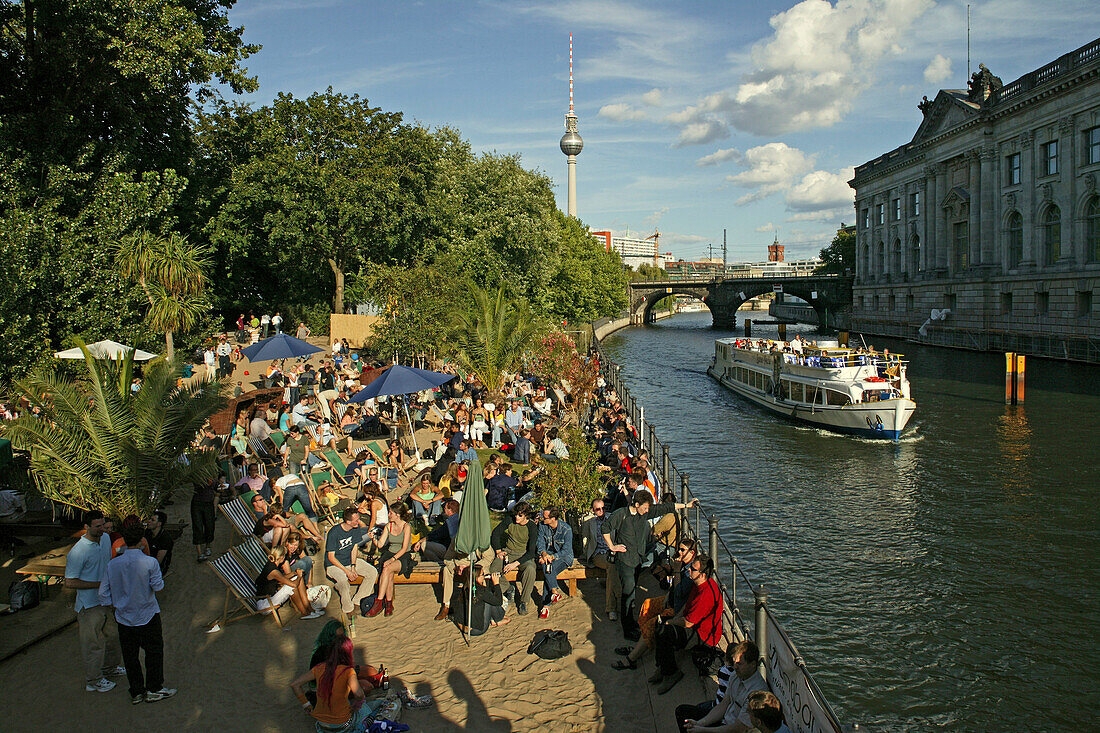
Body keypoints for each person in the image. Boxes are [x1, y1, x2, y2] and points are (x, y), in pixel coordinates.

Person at [98, 516, 176, 704]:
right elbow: (158, 587)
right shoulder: (150, 563)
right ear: (142, 541)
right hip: (148, 613)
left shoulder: (113, 564)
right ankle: (154, 687)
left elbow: (103, 593)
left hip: (124, 616)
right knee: (154, 652)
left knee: (130, 655)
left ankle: (137, 691)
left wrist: (115, 604)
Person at [604, 489, 696, 641]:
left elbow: (666, 507)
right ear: (637, 504)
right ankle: (627, 629)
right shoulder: (621, 514)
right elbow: (605, 528)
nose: (647, 511)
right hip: (625, 560)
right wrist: (612, 546)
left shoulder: (644, 513)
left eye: (648, 508)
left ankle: (632, 623)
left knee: (632, 591)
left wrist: (686, 505)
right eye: (645, 507)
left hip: (637, 559)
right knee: (627, 593)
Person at [64, 510, 125, 693]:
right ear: (86, 527)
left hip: (106, 601)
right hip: (89, 605)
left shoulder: (106, 539)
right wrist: (98, 584)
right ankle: (94, 679)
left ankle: (110, 668)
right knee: (92, 644)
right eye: (97, 526)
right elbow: (70, 581)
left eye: (103, 524)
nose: (102, 529)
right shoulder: (78, 552)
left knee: (114, 637)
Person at [651, 552, 723, 694]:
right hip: (694, 626)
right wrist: (672, 620)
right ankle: (662, 666)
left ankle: (671, 674)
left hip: (704, 636)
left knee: (665, 632)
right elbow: (686, 607)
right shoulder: (697, 584)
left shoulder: (706, 593)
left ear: (702, 574)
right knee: (660, 625)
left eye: (693, 569)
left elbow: (689, 623)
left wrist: (670, 623)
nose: (689, 570)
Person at [680, 640, 767, 733]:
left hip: (733, 729)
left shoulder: (756, 692)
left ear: (753, 665)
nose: (735, 667)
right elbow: (724, 704)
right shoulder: (735, 675)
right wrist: (699, 723)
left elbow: (738, 728)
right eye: (734, 662)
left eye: (740, 664)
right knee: (683, 712)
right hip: (724, 721)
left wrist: (703, 730)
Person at [290, 636, 369, 733]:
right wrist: (356, 705)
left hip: (322, 724)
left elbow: (295, 685)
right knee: (367, 708)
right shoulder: (348, 671)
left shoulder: (319, 668)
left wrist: (306, 705)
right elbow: (359, 694)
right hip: (343, 724)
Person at [324, 507, 379, 619]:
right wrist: (347, 571)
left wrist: (353, 567)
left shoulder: (355, 528)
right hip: (334, 564)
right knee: (344, 583)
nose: (358, 521)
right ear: (348, 522)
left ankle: (358, 601)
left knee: (372, 572)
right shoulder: (334, 533)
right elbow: (331, 557)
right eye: (356, 520)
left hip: (349, 561)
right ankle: (348, 609)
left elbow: (354, 548)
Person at [363, 502, 413, 618]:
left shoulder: (406, 527)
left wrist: (392, 559)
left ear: (397, 515)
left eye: (391, 513)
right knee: (388, 574)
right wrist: (374, 539)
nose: (389, 515)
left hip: (402, 555)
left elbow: (404, 548)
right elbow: (381, 544)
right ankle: (389, 604)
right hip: (390, 553)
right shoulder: (388, 526)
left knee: (387, 568)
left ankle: (379, 601)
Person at [674, 646, 738, 733]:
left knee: (684, 711)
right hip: (720, 706)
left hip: (719, 709)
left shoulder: (725, 672)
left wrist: (701, 726)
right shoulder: (734, 676)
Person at [489, 501, 537, 615]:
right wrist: (498, 551)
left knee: (530, 569)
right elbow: (496, 533)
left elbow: (531, 552)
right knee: (493, 568)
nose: (516, 517)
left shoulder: (531, 527)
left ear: (526, 516)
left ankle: (524, 601)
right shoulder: (510, 520)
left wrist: (516, 563)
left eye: (520, 515)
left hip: (523, 554)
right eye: (516, 514)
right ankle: (508, 588)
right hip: (508, 552)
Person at [581, 498, 622, 621]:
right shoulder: (590, 523)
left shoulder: (611, 519)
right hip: (599, 554)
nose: (601, 511)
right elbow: (585, 540)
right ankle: (612, 607)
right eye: (598, 509)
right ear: (593, 510)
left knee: (614, 568)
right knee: (612, 566)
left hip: (613, 552)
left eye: (603, 508)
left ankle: (619, 600)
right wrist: (587, 553)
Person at [256, 544, 323, 619]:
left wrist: (295, 573)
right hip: (265, 604)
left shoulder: (272, 565)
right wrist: (300, 575)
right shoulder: (273, 571)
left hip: (270, 598)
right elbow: (293, 585)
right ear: (282, 557)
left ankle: (309, 609)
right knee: (291, 586)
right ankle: (304, 613)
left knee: (297, 578)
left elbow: (282, 578)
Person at [536, 507, 574, 620]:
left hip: (563, 557)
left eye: (545, 517)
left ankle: (546, 605)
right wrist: (543, 553)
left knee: (548, 568)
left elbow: (566, 551)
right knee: (547, 567)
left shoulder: (566, 529)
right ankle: (553, 592)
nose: (543, 519)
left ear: (553, 518)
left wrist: (551, 557)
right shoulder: (543, 526)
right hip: (548, 555)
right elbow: (540, 542)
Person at [452, 566, 511, 636]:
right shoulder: (481, 591)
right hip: (475, 630)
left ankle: (494, 618)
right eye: (482, 574)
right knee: (489, 601)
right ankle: (498, 619)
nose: (484, 576)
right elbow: (498, 602)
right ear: (476, 577)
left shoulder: (465, 587)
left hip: (462, 625)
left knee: (486, 598)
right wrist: (496, 584)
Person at [191, 474, 220, 562]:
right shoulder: (197, 475)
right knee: (197, 526)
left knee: (209, 525)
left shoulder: (213, 476)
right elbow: (198, 486)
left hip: (208, 503)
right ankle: (199, 553)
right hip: (197, 503)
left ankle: (208, 546)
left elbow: (216, 489)